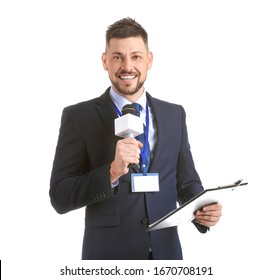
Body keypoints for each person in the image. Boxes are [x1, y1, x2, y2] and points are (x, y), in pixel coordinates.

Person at [49, 17, 222, 260]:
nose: (127, 66)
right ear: (105, 61)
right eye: (117, 56)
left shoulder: (174, 114)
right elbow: (60, 196)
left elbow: (186, 183)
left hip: (166, 256)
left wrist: (202, 208)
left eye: (136, 56)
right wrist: (110, 173)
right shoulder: (78, 116)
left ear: (149, 60)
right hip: (109, 257)